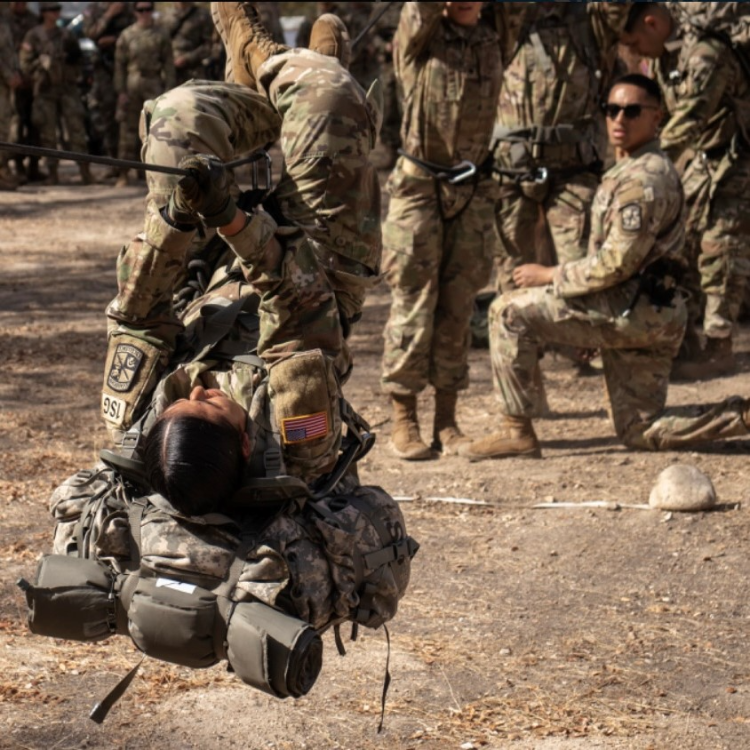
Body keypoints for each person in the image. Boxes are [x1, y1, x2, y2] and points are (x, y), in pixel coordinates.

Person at [461, 74, 750, 461]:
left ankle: (517, 431)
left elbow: (615, 264)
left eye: (632, 111)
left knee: (508, 311)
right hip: (645, 310)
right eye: (611, 109)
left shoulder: (643, 180)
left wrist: (549, 275)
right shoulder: (636, 168)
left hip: (632, 311)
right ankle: (740, 416)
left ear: (656, 118)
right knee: (640, 429)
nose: (619, 119)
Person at [212, 3, 383, 379]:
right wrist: (233, 223)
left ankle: (270, 81)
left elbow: (137, 319)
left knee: (174, 115)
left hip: (212, 276)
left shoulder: (162, 412)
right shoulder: (287, 419)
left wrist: (176, 221)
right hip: (313, 285)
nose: (196, 394)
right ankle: (267, 64)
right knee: (331, 97)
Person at [379, 2, 502, 461]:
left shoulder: (495, 35)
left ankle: (446, 419)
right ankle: (403, 417)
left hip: (474, 185)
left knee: (459, 301)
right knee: (413, 298)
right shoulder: (421, 34)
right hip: (419, 183)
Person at [620, 2, 750, 379]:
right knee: (684, 242)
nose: (635, 52)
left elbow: (691, 119)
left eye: (635, 41)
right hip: (705, 161)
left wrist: (637, 164)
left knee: (721, 246)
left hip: (738, 159)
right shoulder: (665, 58)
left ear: (652, 23)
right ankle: (685, 339)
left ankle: (719, 345)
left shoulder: (707, 53)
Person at [488, 2, 632, 291]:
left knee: (579, 280)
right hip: (511, 174)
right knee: (513, 288)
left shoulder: (591, 21)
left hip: (573, 175)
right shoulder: (506, 17)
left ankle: (571, 336)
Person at [19, 1, 92, 185]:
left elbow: (78, 61)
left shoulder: (67, 35)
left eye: (58, 9)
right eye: (53, 9)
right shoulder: (34, 35)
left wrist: (72, 71)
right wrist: (40, 64)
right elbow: (25, 65)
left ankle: (85, 170)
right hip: (45, 90)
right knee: (47, 132)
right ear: (44, 13)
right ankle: (52, 172)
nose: (56, 13)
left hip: (67, 89)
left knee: (76, 128)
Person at [113, 1, 175, 187]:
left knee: (153, 130)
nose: (145, 13)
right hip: (132, 83)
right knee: (128, 129)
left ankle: (148, 171)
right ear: (134, 12)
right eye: (141, 10)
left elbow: (169, 65)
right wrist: (121, 91)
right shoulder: (127, 35)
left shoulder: (161, 34)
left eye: (148, 9)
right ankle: (123, 172)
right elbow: (119, 67)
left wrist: (169, 91)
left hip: (154, 84)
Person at [82, 2, 135, 164]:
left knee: (131, 114)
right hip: (104, 70)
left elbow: (140, 31)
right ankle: (114, 162)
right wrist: (109, 15)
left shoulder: (130, 7)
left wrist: (115, 39)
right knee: (108, 114)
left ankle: (135, 162)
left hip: (130, 67)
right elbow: (91, 33)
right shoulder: (94, 9)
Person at [8, 1, 42, 183]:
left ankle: (34, 167)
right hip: (11, 82)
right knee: (16, 127)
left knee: (35, 124)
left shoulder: (34, 20)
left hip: (32, 83)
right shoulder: (4, 20)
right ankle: (18, 167)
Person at [0, 7, 23, 191]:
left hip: (6, 85)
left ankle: (2, 169)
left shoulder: (4, 19)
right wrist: (8, 75)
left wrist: (16, 72)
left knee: (6, 127)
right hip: (3, 81)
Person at [164, 1, 213, 85]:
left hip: (193, 72)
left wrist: (187, 58)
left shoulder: (202, 15)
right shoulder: (165, 17)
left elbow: (209, 45)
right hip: (171, 73)